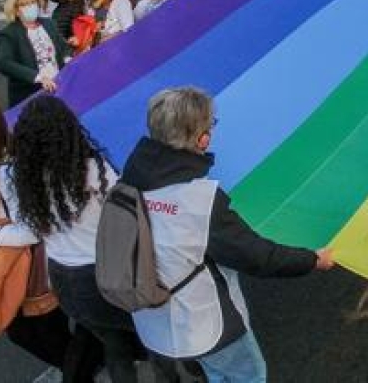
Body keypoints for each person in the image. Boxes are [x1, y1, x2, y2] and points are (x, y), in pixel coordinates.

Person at [120, 86, 333, 380]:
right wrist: (312, 260)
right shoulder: (199, 201)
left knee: (216, 372)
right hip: (204, 324)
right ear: (201, 138)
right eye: (210, 126)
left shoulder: (126, 181)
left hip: (150, 318)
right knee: (248, 375)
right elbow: (258, 257)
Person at [8, 96, 142, 383]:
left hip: (64, 281)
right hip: (105, 276)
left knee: (115, 348)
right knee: (153, 339)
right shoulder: (94, 172)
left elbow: (30, 230)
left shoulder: (25, 183)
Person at [0, 92, 83, 370]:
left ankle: (86, 367)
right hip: (21, 266)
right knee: (38, 335)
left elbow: (34, 230)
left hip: (33, 269)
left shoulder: (8, 168)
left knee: (42, 336)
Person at [0, 0, 69, 106]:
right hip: (29, 94)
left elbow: (62, 46)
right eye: (24, 4)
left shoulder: (49, 23)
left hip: (57, 86)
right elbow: (3, 62)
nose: (30, 6)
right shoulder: (10, 32)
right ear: (16, 10)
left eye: (33, 2)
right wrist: (37, 77)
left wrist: (68, 58)